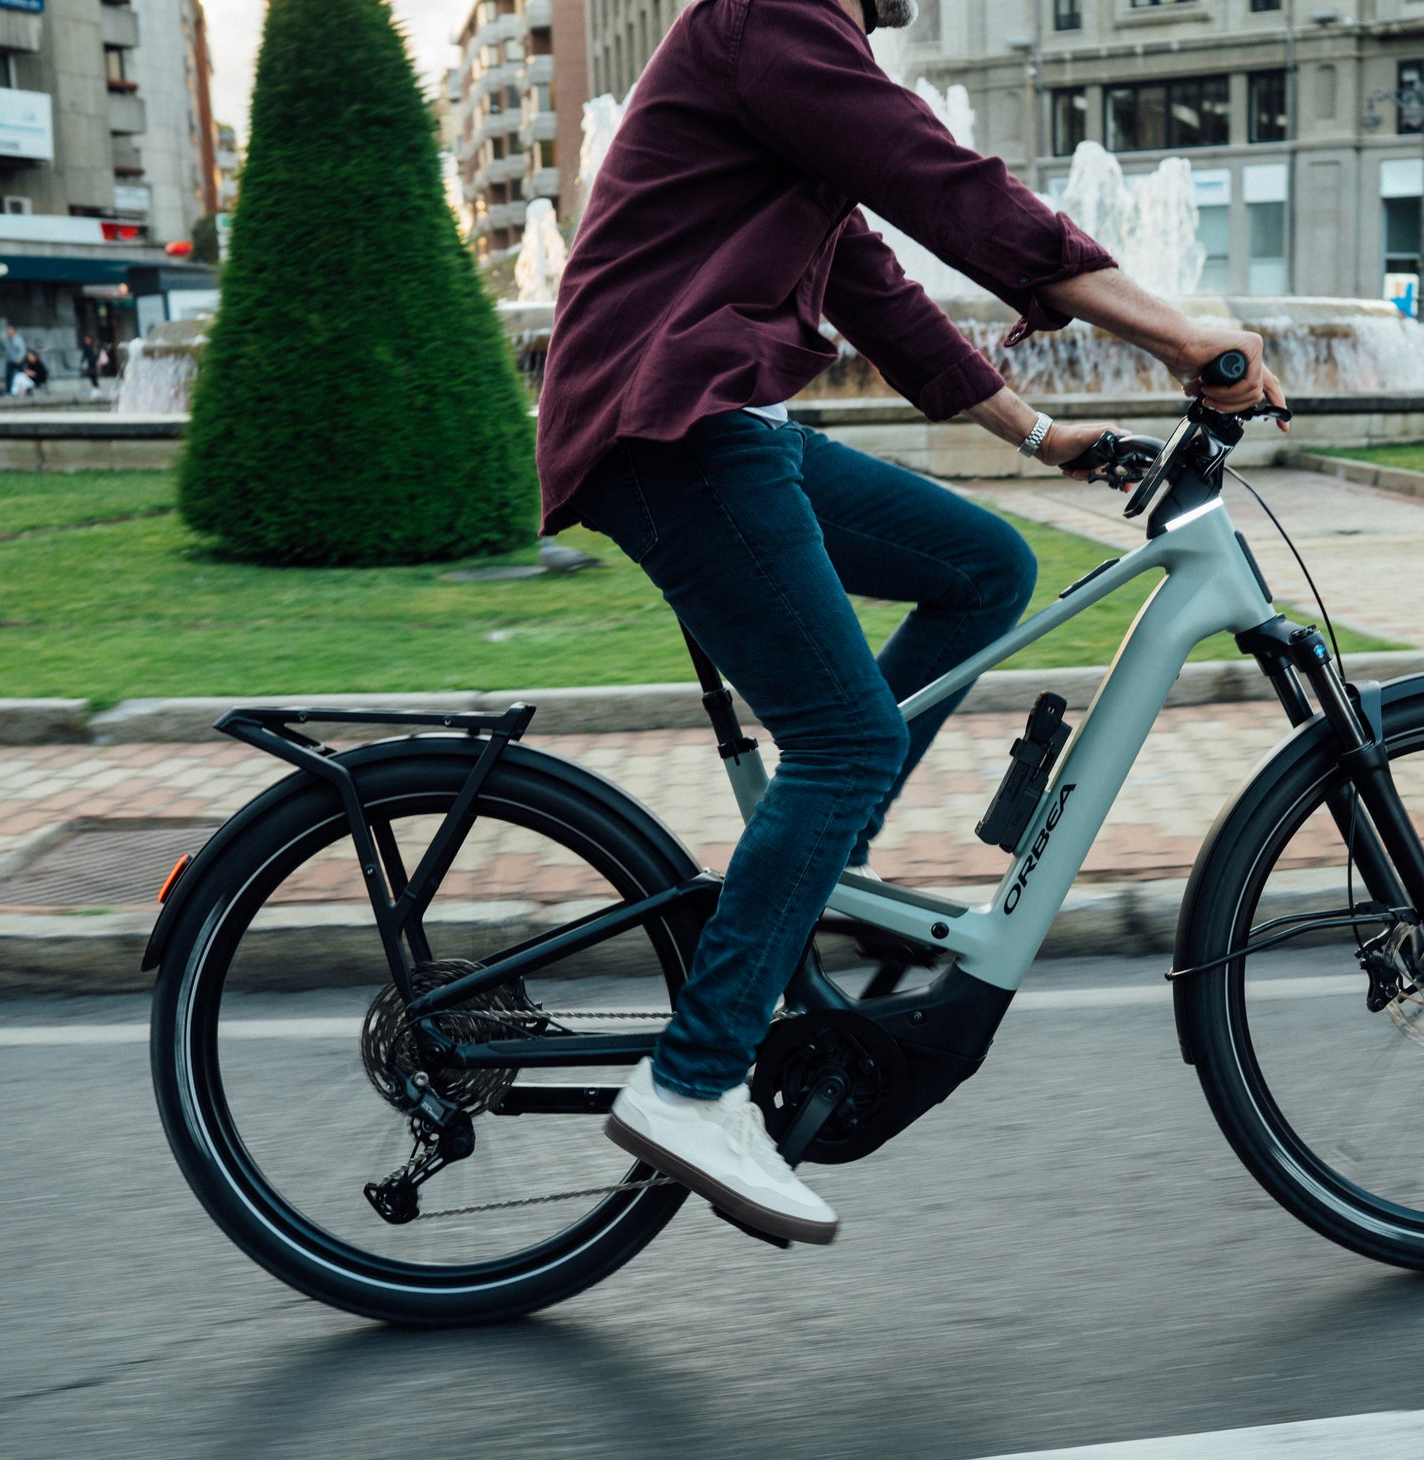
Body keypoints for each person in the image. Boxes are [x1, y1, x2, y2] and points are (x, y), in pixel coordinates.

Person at [537, 0, 1286, 1246]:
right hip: (670, 429)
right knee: (844, 741)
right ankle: (691, 1080)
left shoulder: (785, 63)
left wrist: (1041, 437)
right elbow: (949, 186)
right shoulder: (765, 19)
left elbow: (876, 289)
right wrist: (1174, 328)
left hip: (714, 424)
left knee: (981, 567)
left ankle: (816, 873)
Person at [2, 323, 25, 394]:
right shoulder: (6, 340)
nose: (9, 333)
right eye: (8, 331)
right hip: (10, 361)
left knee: (22, 375)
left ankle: (23, 390)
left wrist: (19, 359)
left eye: (10, 331)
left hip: (18, 361)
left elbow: (22, 350)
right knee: (8, 376)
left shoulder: (18, 339)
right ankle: (9, 391)